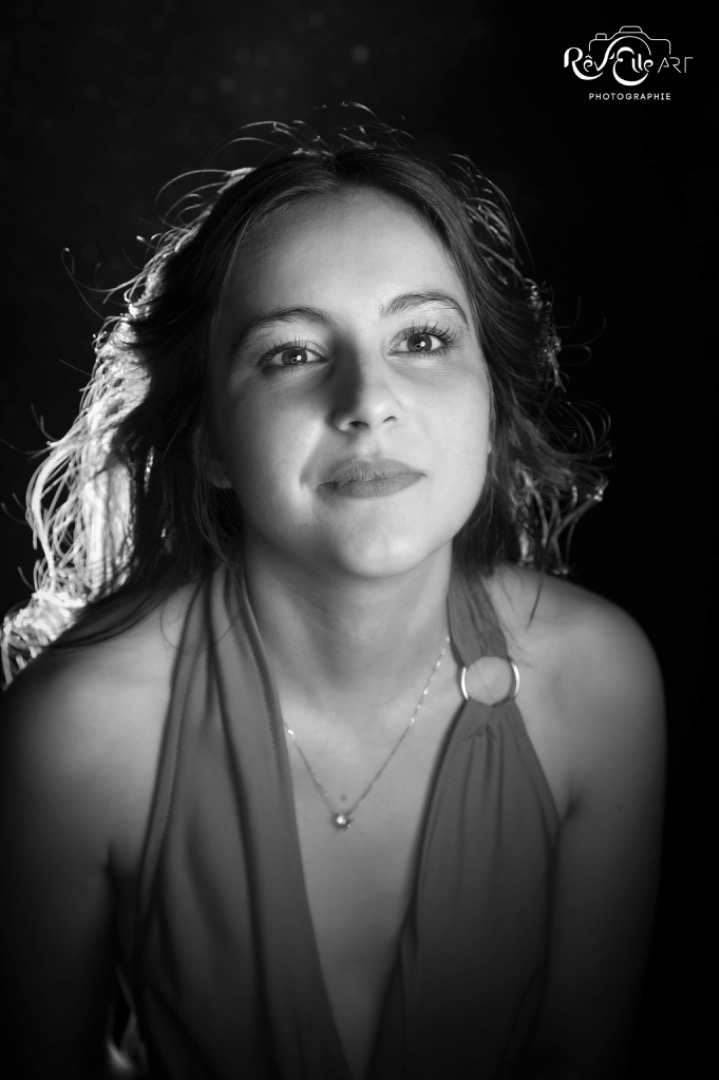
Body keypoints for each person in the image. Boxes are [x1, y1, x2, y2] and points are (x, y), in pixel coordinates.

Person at [0, 120, 664, 1080]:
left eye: (421, 339)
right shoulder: (79, 732)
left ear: (492, 403)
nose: (367, 400)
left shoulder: (596, 686)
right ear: (210, 441)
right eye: (291, 354)